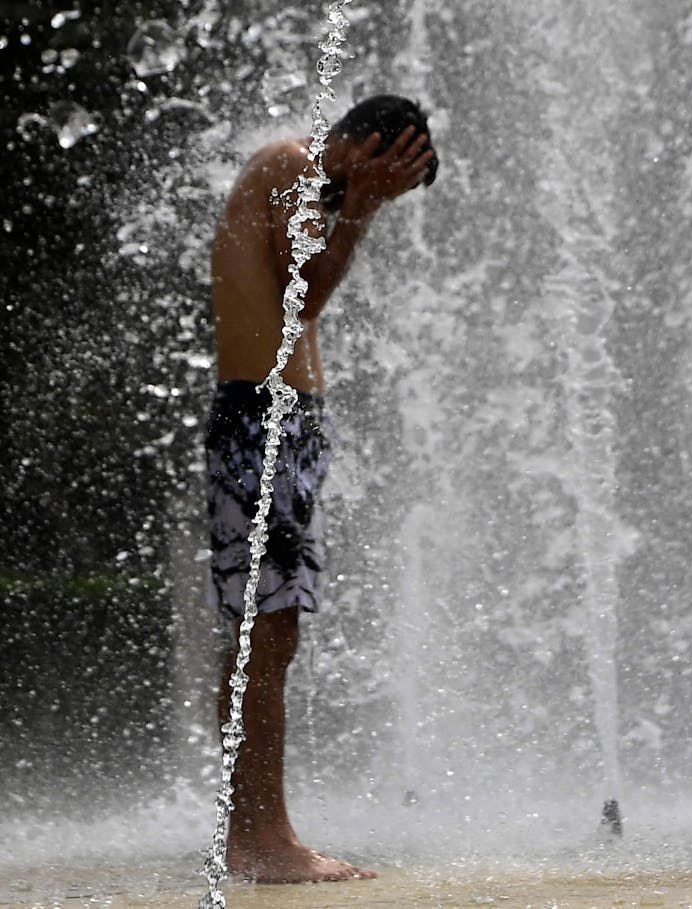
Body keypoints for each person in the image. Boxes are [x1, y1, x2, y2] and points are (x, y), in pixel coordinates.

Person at [205, 95, 436, 884]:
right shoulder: (292, 164)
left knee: (270, 634)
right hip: (261, 419)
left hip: (283, 422)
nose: (372, 192)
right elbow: (305, 300)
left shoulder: (303, 176)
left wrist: (362, 203)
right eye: (386, 173)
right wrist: (362, 212)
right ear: (370, 144)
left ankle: (252, 838)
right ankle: (268, 843)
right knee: (262, 635)